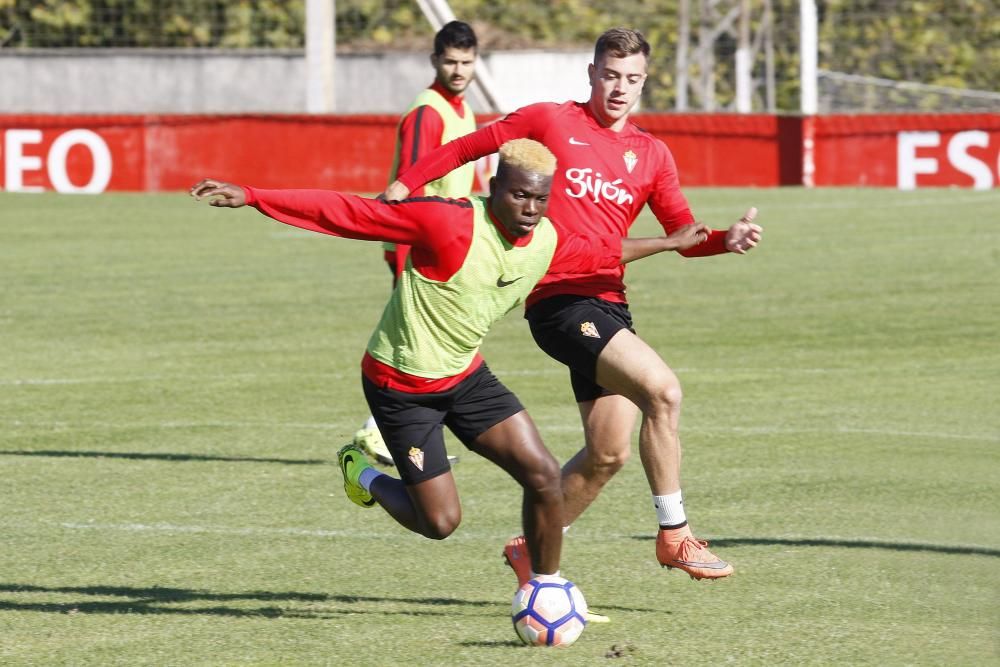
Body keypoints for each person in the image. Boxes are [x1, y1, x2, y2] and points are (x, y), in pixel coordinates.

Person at [189, 138, 712, 584]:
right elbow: (349, 213)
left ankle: (543, 589)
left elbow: (601, 251)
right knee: (439, 522)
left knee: (545, 476)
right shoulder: (446, 222)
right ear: (494, 188)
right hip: (400, 385)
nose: (529, 207)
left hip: (465, 379)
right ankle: (364, 475)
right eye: (519, 194)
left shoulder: (546, 238)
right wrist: (254, 196)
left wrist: (669, 242)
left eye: (539, 198)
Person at [384, 28, 763, 589]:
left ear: (643, 82)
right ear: (591, 74)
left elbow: (682, 234)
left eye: (631, 79)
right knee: (664, 390)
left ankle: (528, 552)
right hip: (560, 303)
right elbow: (471, 146)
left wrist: (724, 240)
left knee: (608, 454)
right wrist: (405, 182)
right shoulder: (550, 121)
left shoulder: (652, 154)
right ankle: (675, 534)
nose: (619, 88)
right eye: (610, 75)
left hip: (610, 305)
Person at [355, 19, 481, 465]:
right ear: (435, 61)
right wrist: (411, 256)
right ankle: (378, 431)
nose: (459, 70)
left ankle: (408, 430)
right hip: (419, 246)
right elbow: (409, 189)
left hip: (446, 246)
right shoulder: (428, 111)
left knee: (438, 339)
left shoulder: (463, 111)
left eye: (466, 62)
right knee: (414, 340)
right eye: (450, 61)